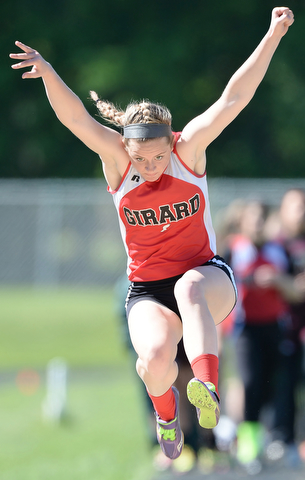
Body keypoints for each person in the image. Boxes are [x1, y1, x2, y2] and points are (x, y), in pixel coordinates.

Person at [10, 7, 294, 461]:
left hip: (205, 274)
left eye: (156, 158)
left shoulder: (188, 149)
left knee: (190, 286)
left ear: (170, 142)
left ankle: (206, 385)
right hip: (146, 289)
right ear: (127, 146)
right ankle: (166, 416)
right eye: (141, 159)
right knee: (154, 361)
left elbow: (234, 97)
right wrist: (47, 72)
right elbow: (77, 120)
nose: (149, 167)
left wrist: (273, 33)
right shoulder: (120, 161)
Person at [223, 200, 297, 468]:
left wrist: (276, 280)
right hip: (245, 328)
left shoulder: (280, 251)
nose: (257, 223)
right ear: (243, 222)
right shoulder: (234, 250)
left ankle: (267, 436)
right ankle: (248, 443)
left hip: (275, 326)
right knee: (250, 381)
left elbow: (294, 288)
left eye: (261, 218)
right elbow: (220, 285)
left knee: (272, 384)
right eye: (252, 218)